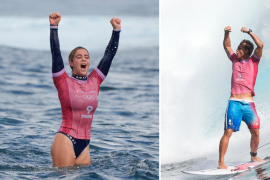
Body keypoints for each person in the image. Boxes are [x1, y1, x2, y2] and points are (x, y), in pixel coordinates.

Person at [49, 12, 121, 167]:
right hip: (66, 138)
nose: (84, 59)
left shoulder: (95, 80)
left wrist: (116, 31)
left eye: (87, 57)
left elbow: (109, 55)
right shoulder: (62, 80)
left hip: (85, 144)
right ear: (71, 63)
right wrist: (54, 27)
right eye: (79, 57)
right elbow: (55, 54)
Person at [218, 26, 264, 169]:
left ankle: (253, 155)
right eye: (237, 47)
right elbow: (227, 45)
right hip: (234, 102)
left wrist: (249, 32)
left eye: (239, 48)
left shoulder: (254, 61)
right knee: (228, 132)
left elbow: (260, 45)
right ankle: (221, 162)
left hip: (249, 103)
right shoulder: (234, 59)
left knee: (255, 132)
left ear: (246, 52)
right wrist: (226, 33)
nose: (236, 50)